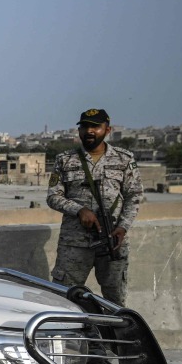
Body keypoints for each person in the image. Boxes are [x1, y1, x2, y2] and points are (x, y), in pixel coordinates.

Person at [46, 108, 142, 305]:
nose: (89, 131)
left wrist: (122, 227)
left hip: (112, 241)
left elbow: (134, 195)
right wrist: (79, 210)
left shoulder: (124, 159)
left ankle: (114, 335)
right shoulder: (65, 160)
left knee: (115, 300)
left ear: (107, 130)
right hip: (75, 243)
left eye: (95, 127)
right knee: (63, 298)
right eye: (85, 126)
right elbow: (53, 196)